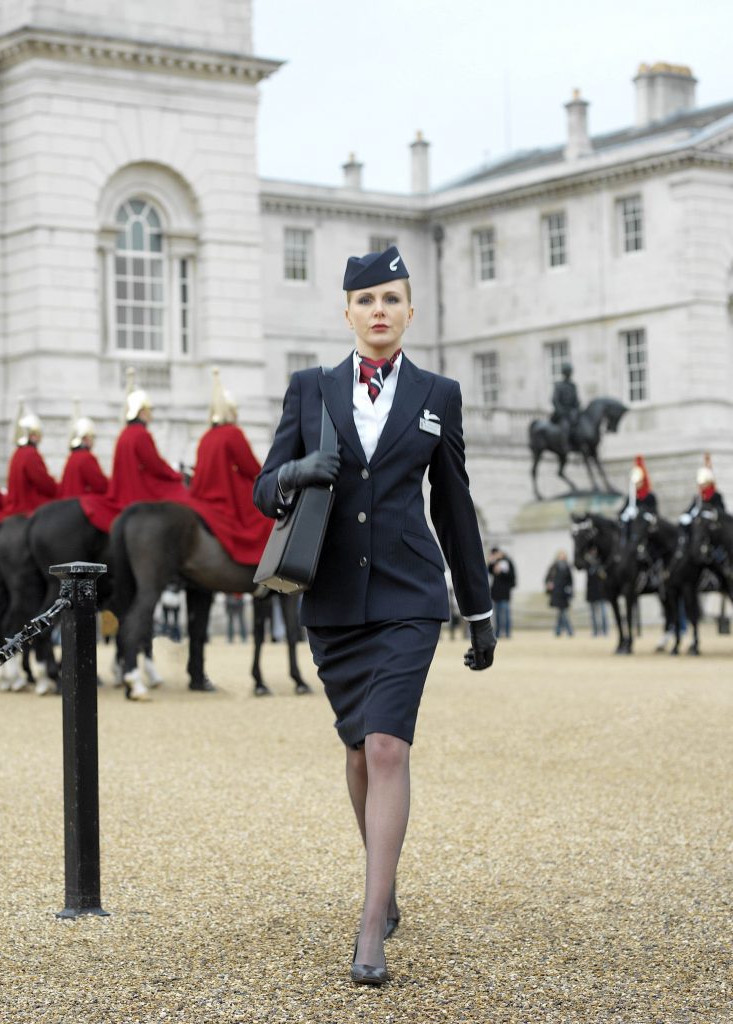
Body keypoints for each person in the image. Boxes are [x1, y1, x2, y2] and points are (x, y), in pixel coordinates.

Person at [253, 245, 495, 987]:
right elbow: (265, 491)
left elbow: (452, 508)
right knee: (358, 751)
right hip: (329, 601)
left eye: (391, 298)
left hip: (408, 597)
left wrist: (478, 609)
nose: (379, 310)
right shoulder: (309, 389)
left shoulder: (437, 393)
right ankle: (382, 886)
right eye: (366, 300)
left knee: (388, 747)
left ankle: (369, 920)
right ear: (348, 311)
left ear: (409, 311)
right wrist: (295, 472)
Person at [187, 368, 273, 564]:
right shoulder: (233, 433)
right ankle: (264, 568)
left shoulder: (206, 436)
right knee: (266, 520)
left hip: (203, 496)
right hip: (226, 495)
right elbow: (251, 469)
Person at [107, 389, 190, 508]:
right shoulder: (141, 434)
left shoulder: (123, 434)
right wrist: (175, 475)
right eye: (149, 410)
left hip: (124, 492)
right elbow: (155, 466)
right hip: (139, 490)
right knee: (181, 492)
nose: (151, 414)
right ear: (141, 412)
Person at [4, 408, 58, 516]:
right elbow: (44, 483)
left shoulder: (17, 453)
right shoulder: (31, 454)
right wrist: (57, 487)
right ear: (32, 435)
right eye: (37, 434)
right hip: (28, 506)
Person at [59, 414, 109, 499]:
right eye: (92, 437)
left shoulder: (72, 457)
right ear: (86, 438)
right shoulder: (87, 457)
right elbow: (101, 485)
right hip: (80, 504)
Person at [487, 546, 516, 638]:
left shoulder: (507, 561)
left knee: (506, 613)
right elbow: (489, 571)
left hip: (505, 592)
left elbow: (512, 576)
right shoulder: (495, 563)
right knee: (497, 615)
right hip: (495, 593)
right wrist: (491, 562)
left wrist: (501, 572)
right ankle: (498, 633)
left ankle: (507, 633)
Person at [545, 551, 574, 636]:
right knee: (562, 611)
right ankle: (568, 631)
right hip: (556, 592)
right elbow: (547, 578)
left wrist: (570, 591)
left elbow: (570, 581)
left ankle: (558, 630)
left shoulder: (567, 567)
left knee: (562, 612)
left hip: (564, 592)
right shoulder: (554, 566)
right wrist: (549, 584)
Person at [551, 362, 580, 442]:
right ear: (564, 373)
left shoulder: (573, 386)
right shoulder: (559, 386)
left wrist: (577, 408)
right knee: (565, 426)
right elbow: (555, 400)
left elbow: (576, 401)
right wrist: (561, 411)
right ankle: (564, 446)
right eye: (568, 372)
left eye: (570, 372)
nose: (569, 374)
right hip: (562, 414)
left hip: (572, 413)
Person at [586, 565, 608, 636]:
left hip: (602, 592)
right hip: (592, 593)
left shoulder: (602, 564)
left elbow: (604, 577)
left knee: (603, 613)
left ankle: (605, 631)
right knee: (593, 615)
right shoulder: (588, 565)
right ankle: (595, 631)